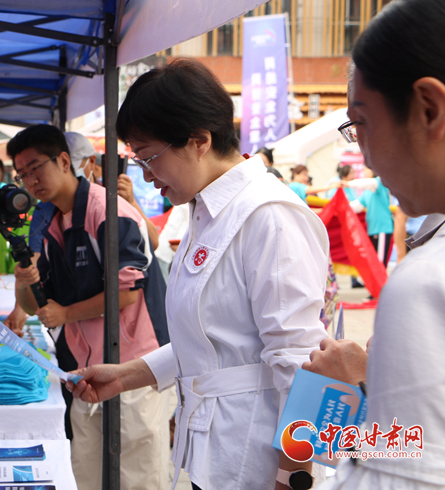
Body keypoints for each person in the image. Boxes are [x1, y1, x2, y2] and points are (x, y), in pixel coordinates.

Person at [66, 58, 330, 490]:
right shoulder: (205, 212)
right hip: (214, 454)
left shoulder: (270, 216)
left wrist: (293, 476)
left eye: (149, 157)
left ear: (199, 141)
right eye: (137, 161)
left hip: (259, 463)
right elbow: (210, 340)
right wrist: (125, 376)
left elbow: (299, 362)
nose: (147, 176)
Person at [306, 0, 445, 489]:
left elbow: (407, 476)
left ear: (429, 109)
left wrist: (362, 390)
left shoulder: (425, 282)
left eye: (361, 122)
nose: (362, 153)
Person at [10, 124, 170, 490]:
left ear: (64, 161)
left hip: (133, 364)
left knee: (138, 476)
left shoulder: (108, 210)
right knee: (87, 473)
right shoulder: (50, 221)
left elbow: (128, 292)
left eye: (36, 168)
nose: (31, 180)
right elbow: (36, 305)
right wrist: (23, 279)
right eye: (22, 174)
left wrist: (66, 314)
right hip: (81, 370)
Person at [346, 167, 394, 268]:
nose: (364, 171)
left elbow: (369, 183)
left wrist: (347, 183)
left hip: (382, 228)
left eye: (366, 169)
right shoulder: (367, 192)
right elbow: (355, 206)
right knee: (374, 263)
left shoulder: (380, 183)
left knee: (380, 264)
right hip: (372, 230)